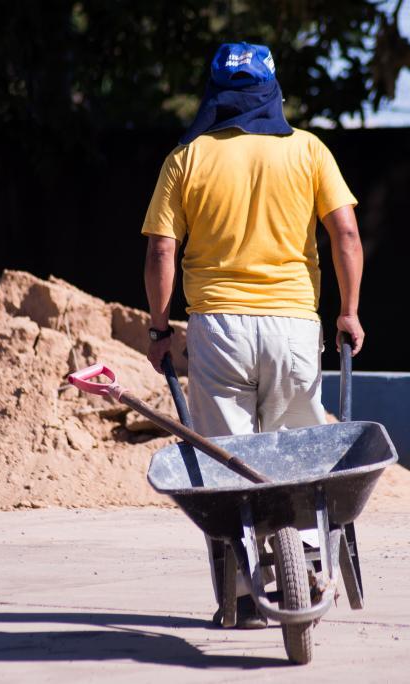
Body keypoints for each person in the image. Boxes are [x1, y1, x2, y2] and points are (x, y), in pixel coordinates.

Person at [140, 42, 365, 628]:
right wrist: (349, 312)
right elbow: (345, 233)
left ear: (214, 94)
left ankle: (243, 595)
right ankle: (311, 564)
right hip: (294, 324)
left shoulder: (186, 159)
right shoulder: (310, 151)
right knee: (299, 453)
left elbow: (163, 248)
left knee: (231, 462)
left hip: (218, 329)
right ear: (272, 92)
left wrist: (161, 328)